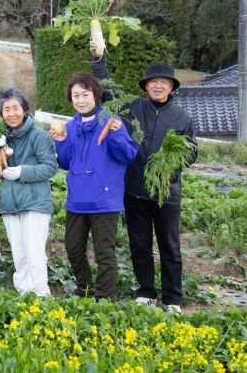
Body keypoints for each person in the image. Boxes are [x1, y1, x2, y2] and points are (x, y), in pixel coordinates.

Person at [91, 43, 197, 312]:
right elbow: (108, 90)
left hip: (166, 194)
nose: (158, 86)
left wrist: (167, 171)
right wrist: (98, 58)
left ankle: (172, 298)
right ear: (146, 86)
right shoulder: (133, 108)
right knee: (139, 244)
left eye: (163, 82)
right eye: (153, 82)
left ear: (171, 87)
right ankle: (146, 292)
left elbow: (191, 152)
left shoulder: (183, 117)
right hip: (134, 190)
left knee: (169, 246)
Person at [49, 73, 138, 300]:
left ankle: (105, 297)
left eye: (85, 95)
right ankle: (85, 289)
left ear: (96, 96)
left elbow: (128, 155)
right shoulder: (70, 126)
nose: (80, 100)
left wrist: (117, 134)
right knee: (73, 248)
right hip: (77, 199)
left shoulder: (111, 123)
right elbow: (66, 162)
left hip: (104, 200)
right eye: (75, 95)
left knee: (104, 252)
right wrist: (60, 142)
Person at [0, 88, 57, 296]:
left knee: (34, 252)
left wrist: (22, 171)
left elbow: (50, 167)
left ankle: (41, 295)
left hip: (34, 201)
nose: (11, 114)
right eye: (6, 109)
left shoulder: (38, 136)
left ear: (25, 109)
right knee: (18, 252)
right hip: (10, 203)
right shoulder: (4, 139)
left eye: (15, 108)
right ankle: (24, 294)